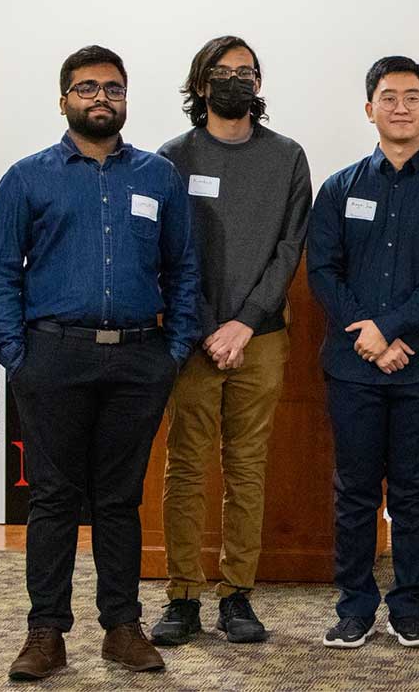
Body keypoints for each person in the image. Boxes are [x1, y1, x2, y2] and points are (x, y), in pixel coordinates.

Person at [0, 45, 200, 681]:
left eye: (112, 88)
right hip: (51, 357)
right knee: (52, 498)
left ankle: (122, 627)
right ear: (64, 100)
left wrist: (175, 347)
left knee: (118, 499)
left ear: (126, 98)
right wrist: (14, 354)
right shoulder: (27, 178)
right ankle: (45, 632)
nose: (100, 97)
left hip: (139, 359)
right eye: (86, 88)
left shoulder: (158, 177)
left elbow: (184, 267)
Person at [307, 56, 419, 649]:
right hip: (353, 368)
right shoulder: (337, 188)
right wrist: (369, 335)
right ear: (369, 108)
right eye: (388, 96)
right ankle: (354, 606)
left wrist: (391, 329)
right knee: (354, 491)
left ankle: (408, 605)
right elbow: (323, 272)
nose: (400, 107)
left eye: (411, 97)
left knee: (412, 490)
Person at [150, 35, 311, 647]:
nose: (237, 79)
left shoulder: (288, 157)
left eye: (248, 71)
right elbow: (168, 253)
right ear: (200, 85)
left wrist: (243, 322)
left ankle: (237, 594)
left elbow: (287, 250)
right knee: (186, 466)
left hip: (261, 336)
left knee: (247, 467)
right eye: (223, 71)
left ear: (260, 86)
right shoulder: (170, 158)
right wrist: (208, 326)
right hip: (191, 337)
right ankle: (183, 596)